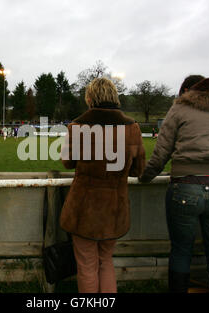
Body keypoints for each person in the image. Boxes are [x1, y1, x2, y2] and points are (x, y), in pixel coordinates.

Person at [140, 77, 209, 293]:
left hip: (185, 187)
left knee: (181, 250)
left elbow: (161, 153)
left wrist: (144, 177)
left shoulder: (180, 109)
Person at [60, 77, 146, 293]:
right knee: (105, 261)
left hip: (84, 208)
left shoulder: (78, 126)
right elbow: (138, 169)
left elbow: (68, 162)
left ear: (90, 99)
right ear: (115, 98)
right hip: (115, 208)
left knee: (87, 266)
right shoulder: (132, 127)